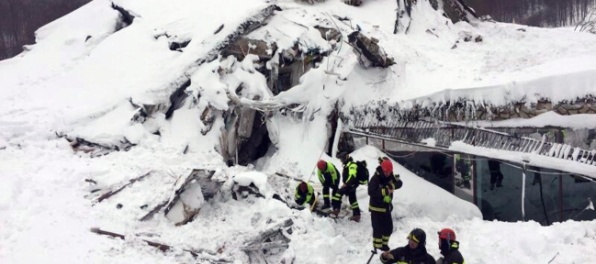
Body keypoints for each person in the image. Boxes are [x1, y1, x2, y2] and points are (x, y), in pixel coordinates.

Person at [369, 157, 403, 251]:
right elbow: (371, 191)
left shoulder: (391, 176)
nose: (388, 174)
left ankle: (384, 245)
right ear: (382, 169)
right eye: (386, 172)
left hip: (386, 208)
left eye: (389, 172)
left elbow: (399, 183)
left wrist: (392, 185)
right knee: (378, 229)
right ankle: (376, 247)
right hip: (376, 208)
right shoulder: (375, 178)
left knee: (388, 228)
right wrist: (385, 191)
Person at [331, 154, 362, 222]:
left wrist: (346, 184)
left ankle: (336, 210)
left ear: (345, 158)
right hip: (351, 185)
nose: (341, 161)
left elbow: (352, 175)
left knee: (338, 193)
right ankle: (357, 215)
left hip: (350, 185)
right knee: (352, 199)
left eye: (342, 159)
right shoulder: (347, 165)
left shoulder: (352, 165)